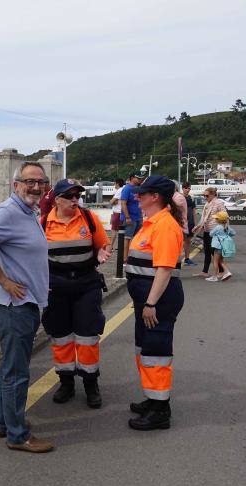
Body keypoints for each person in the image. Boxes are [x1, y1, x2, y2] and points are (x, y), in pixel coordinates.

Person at [0, 161, 53, 453]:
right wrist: (3, 280)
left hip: (24, 305)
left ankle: (4, 424)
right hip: (13, 307)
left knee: (10, 368)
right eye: (29, 181)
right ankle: (17, 435)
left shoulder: (28, 211)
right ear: (16, 184)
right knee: (17, 373)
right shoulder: (8, 211)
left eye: (41, 182)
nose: (35, 187)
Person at [41, 179, 111, 406]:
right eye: (69, 196)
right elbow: (36, 257)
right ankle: (66, 382)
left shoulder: (89, 218)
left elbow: (104, 244)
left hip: (86, 284)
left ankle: (91, 384)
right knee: (60, 336)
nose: (75, 200)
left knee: (87, 336)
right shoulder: (43, 223)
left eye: (77, 196)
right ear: (57, 199)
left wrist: (102, 252)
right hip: (57, 286)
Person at [124, 176, 184, 431]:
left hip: (158, 299)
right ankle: (153, 398)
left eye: (141, 194)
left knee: (156, 352)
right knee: (145, 349)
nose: (137, 197)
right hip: (146, 299)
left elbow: (164, 270)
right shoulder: (151, 223)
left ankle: (161, 410)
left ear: (155, 197)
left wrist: (150, 304)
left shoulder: (165, 226)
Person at [192, 187, 227, 277]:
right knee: (207, 250)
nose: (205, 197)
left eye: (206, 195)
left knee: (214, 251)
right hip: (207, 230)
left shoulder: (218, 203)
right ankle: (205, 271)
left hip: (215, 230)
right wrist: (198, 226)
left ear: (212, 194)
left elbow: (225, 215)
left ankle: (222, 271)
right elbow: (204, 218)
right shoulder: (207, 204)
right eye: (204, 195)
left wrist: (222, 226)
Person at [120, 173, 143, 262]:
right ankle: (125, 258)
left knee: (137, 239)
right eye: (138, 178)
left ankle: (133, 257)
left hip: (138, 218)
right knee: (127, 238)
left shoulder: (137, 189)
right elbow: (123, 203)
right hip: (130, 218)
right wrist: (127, 217)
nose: (140, 179)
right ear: (132, 178)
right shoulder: (127, 189)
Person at [207, 211, 236, 282]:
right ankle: (227, 272)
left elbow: (210, 234)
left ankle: (215, 276)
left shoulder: (218, 227)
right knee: (221, 261)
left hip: (217, 246)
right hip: (224, 246)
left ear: (218, 220)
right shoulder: (227, 227)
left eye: (216, 218)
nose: (215, 219)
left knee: (215, 261)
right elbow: (233, 233)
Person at [182, 183, 196, 265]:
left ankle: (187, 258)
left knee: (188, 240)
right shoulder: (179, 197)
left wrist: (194, 222)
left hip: (190, 222)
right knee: (180, 241)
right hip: (182, 222)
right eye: (186, 188)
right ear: (183, 188)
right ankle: (177, 258)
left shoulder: (191, 198)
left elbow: (194, 210)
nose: (188, 190)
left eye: (189, 188)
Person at [109, 178, 125, 250]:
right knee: (121, 230)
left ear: (117, 183)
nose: (114, 185)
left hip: (117, 212)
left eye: (114, 183)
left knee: (113, 230)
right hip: (122, 212)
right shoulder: (124, 189)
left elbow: (112, 202)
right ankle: (120, 246)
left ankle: (111, 246)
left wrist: (111, 201)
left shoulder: (119, 190)